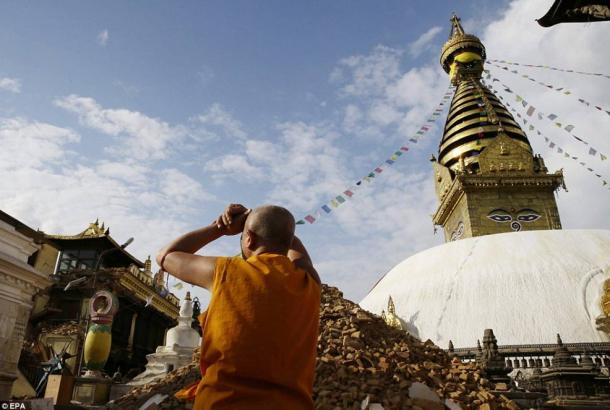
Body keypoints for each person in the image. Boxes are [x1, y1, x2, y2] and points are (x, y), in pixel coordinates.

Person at [156, 203, 321, 410]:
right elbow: (298, 254)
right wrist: (277, 230)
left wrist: (220, 228)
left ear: (249, 238)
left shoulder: (224, 271)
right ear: (288, 242)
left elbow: (165, 256)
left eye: (243, 237)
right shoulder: (309, 283)